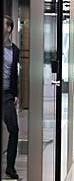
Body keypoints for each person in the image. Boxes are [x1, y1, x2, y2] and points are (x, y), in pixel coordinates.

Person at [3, 15, 20, 179]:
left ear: (9, 29)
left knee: (14, 129)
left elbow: (15, 74)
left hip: (6, 96)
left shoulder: (14, 50)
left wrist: (16, 94)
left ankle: (10, 167)